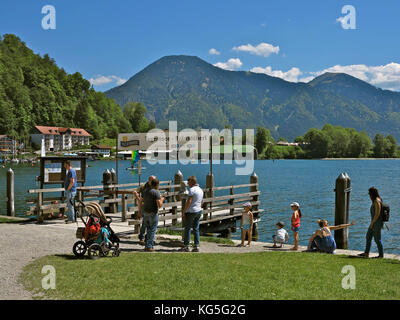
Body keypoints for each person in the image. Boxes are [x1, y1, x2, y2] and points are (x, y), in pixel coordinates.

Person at [358, 187, 384, 258]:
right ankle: (366, 253)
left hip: (376, 223)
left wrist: (372, 223)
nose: (369, 195)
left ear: (372, 194)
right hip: (374, 222)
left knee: (377, 239)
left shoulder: (377, 201)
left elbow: (377, 214)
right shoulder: (376, 200)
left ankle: (381, 255)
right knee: (368, 236)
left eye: (369, 193)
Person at [181, 176, 204, 252]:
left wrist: (184, 211)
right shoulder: (200, 190)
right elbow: (202, 201)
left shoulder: (192, 190)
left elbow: (189, 201)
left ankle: (186, 246)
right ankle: (196, 246)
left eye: (188, 182)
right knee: (196, 228)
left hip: (191, 211)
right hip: (198, 210)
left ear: (192, 182)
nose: (187, 183)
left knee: (187, 229)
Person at [141, 178, 164, 252]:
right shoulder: (156, 192)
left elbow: (141, 200)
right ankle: (149, 246)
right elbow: (159, 205)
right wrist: (162, 200)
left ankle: (146, 246)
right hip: (153, 213)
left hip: (145, 212)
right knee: (152, 230)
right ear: (157, 185)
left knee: (148, 230)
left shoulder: (145, 191)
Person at [133, 175, 156, 245]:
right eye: (152, 180)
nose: (154, 182)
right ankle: (142, 238)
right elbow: (134, 192)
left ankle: (148, 238)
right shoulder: (144, 186)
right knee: (145, 223)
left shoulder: (154, 186)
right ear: (149, 180)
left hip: (152, 207)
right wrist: (139, 199)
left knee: (150, 223)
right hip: (144, 206)